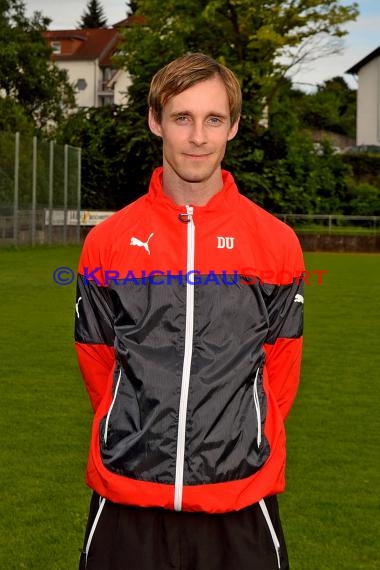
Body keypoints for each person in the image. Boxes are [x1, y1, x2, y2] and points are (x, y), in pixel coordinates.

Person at [75, 52, 304, 570]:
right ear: (156, 121)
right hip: (127, 496)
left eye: (213, 119)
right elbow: (98, 362)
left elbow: (280, 370)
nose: (198, 136)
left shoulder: (276, 243)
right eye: (182, 117)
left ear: (234, 127)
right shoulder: (108, 243)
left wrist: (233, 441)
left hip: (240, 501)